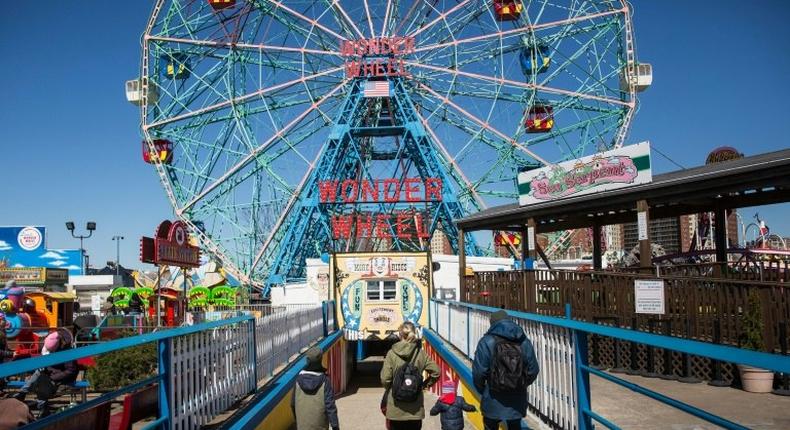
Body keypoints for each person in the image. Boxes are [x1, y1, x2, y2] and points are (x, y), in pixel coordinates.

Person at [472, 310, 539, 430]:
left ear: (492, 323)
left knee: (490, 426)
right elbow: (533, 370)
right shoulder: (523, 341)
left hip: (492, 396)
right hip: (516, 399)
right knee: (515, 426)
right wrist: (519, 383)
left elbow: (479, 373)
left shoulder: (487, 341)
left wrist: (484, 390)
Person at [381, 322, 440, 430]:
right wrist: (424, 385)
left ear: (400, 334)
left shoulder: (391, 353)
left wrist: (392, 388)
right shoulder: (421, 353)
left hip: (395, 409)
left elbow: (385, 379)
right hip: (415, 409)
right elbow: (436, 372)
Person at [12, 330, 78, 407]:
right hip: (52, 372)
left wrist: (53, 376)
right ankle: (23, 393)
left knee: (44, 382)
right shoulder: (51, 340)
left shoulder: (67, 352)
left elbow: (70, 371)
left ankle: (40, 404)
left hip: (62, 377)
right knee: (39, 373)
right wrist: (44, 366)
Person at [291, 346, 339, 430]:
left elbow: (292, 404)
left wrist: (299, 421)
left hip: (302, 426)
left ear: (307, 361)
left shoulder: (298, 380)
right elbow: (330, 406)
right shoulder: (325, 380)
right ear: (320, 360)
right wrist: (335, 426)